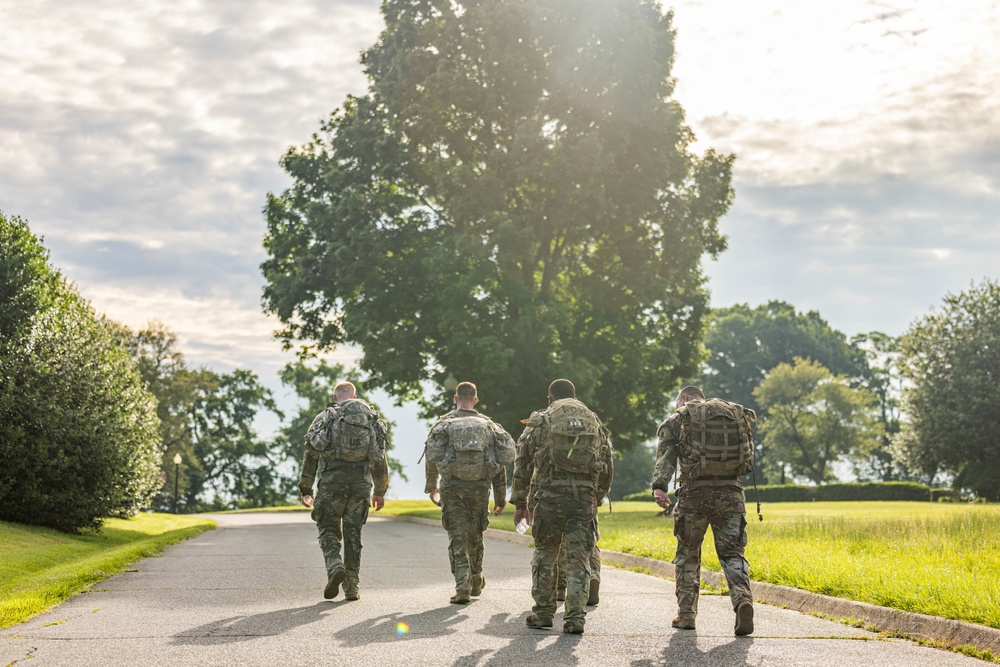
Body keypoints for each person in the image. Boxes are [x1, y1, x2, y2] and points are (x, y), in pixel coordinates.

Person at [511, 379, 614, 635]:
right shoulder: (593, 420)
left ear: (550, 398)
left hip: (548, 498)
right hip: (582, 500)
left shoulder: (542, 419)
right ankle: (576, 618)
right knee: (579, 558)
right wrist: (598, 495)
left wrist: (521, 502)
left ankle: (544, 613)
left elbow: (522, 460)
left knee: (545, 553)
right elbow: (608, 460)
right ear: (575, 396)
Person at [651, 385, 756, 636]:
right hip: (731, 494)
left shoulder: (679, 418)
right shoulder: (734, 415)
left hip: (693, 495)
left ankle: (686, 615)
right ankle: (742, 599)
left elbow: (666, 456)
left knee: (688, 553)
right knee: (732, 553)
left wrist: (659, 487)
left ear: (684, 398)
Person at [424, 381, 515, 604]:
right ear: (475, 400)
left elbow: (431, 456)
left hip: (452, 488)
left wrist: (431, 485)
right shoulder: (488, 426)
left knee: (458, 537)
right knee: (476, 535)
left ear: (455, 399)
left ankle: (462, 585)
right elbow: (500, 463)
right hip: (480, 489)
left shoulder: (444, 424)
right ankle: (476, 578)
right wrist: (501, 498)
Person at [299, 381, 389, 602]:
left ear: (335, 396)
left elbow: (311, 453)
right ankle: (352, 587)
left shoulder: (326, 417)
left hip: (332, 479)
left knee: (327, 526)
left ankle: (334, 565)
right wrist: (380, 490)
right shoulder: (371, 418)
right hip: (361, 481)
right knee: (353, 533)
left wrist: (306, 488)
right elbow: (380, 456)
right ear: (355, 395)